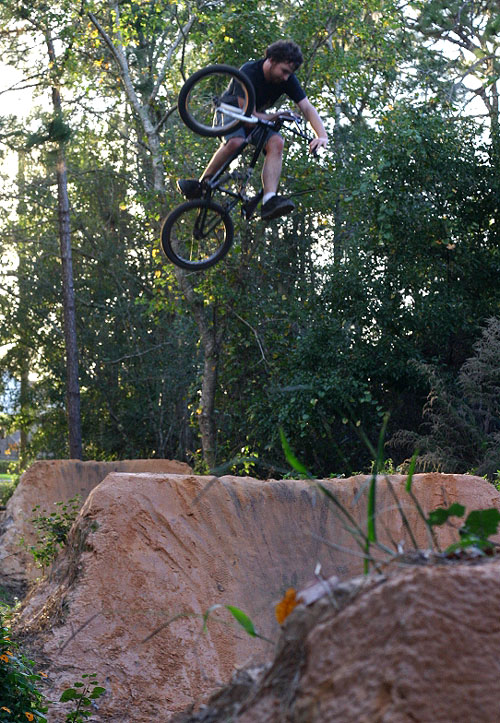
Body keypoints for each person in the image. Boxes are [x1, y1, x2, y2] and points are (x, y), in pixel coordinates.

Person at [177, 40, 328, 221]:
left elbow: (307, 107)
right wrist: (278, 115)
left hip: (256, 117)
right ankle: (203, 183)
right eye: (284, 71)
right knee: (236, 142)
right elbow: (249, 118)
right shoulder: (249, 71)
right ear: (271, 60)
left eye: (291, 73)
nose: (287, 77)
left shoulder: (288, 80)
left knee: (277, 142)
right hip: (232, 112)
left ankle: (269, 200)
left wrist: (322, 135)